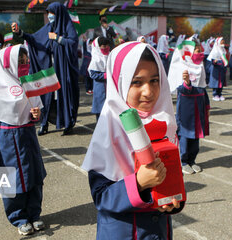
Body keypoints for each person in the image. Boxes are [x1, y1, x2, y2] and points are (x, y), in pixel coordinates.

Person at [81, 42, 184, 239]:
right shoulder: (109, 131)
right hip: (123, 232)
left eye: (154, 80)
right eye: (136, 82)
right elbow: (101, 197)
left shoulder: (165, 122)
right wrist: (138, 183)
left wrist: (173, 202)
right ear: (119, 82)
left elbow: (174, 181)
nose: (148, 91)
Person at [0, 44, 46, 236]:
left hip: (28, 138)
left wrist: (36, 114)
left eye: (26, 62)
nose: (24, 65)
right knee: (12, 181)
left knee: (34, 177)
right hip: (8, 143)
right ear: (7, 66)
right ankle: (19, 218)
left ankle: (34, 214)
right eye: (19, 62)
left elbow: (35, 115)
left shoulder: (29, 86)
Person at [11, 2, 80, 136]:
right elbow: (34, 39)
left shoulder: (67, 27)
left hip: (64, 71)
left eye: (52, 13)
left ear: (59, 13)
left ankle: (68, 124)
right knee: (45, 96)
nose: (50, 16)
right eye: (48, 13)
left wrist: (58, 39)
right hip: (49, 71)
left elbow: (72, 43)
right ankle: (44, 123)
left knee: (65, 96)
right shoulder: (47, 28)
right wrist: (20, 33)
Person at [168, 38, 210, 174]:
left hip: (199, 106)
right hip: (187, 108)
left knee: (196, 134)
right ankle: (183, 161)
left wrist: (206, 104)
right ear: (189, 53)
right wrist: (186, 82)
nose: (200, 54)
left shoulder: (200, 66)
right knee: (186, 134)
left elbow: (202, 86)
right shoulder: (183, 67)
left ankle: (192, 160)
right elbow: (182, 89)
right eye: (197, 51)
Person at [88, 37, 110, 121]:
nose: (106, 48)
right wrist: (105, 76)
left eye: (107, 46)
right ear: (98, 47)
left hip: (110, 86)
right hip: (100, 87)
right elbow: (92, 74)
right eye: (104, 46)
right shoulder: (95, 60)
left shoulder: (110, 55)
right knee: (100, 111)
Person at [207, 37, 228, 101]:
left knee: (221, 81)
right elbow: (211, 60)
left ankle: (220, 93)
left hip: (221, 68)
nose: (223, 42)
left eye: (223, 41)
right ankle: (215, 94)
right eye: (221, 41)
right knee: (216, 82)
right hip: (215, 68)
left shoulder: (223, 49)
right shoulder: (215, 50)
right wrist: (215, 62)